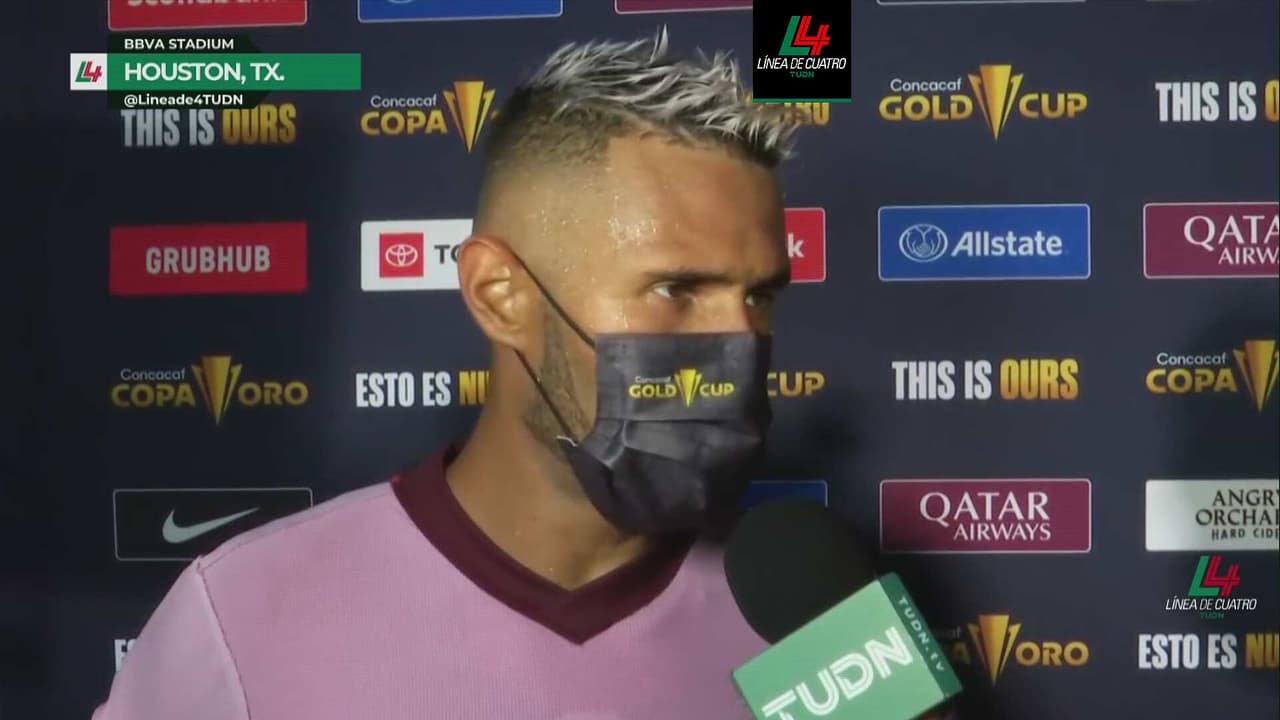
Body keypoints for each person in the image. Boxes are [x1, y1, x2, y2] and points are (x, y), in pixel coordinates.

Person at [91, 28, 957, 720]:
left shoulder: (826, 620)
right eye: (676, 289)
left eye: (759, 296)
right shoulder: (244, 612)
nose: (738, 343)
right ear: (500, 296)